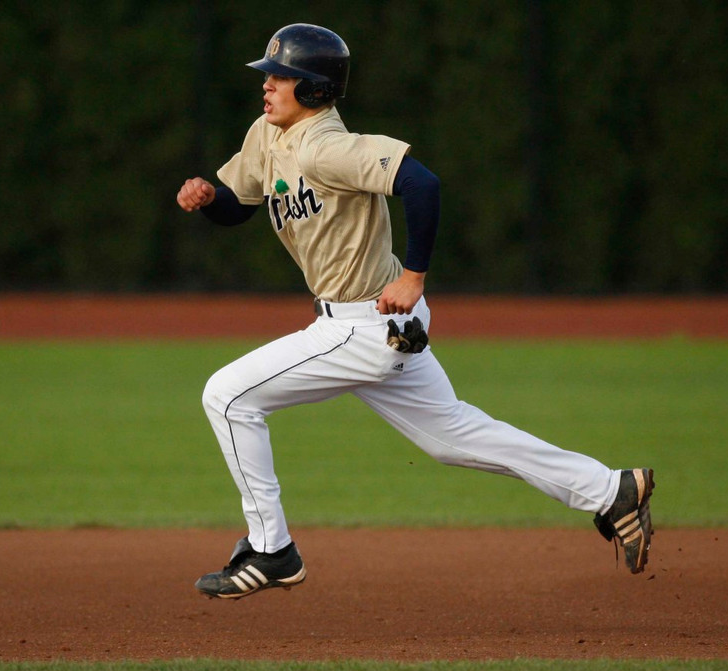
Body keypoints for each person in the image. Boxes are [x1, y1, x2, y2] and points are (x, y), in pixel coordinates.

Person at [176, 23, 654, 600]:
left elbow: (422, 183)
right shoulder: (268, 135)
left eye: (281, 77)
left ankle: (272, 549)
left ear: (315, 90)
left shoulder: (328, 146)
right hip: (375, 325)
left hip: (363, 325)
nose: (268, 85)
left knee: (226, 395)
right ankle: (610, 491)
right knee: (452, 437)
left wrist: (414, 274)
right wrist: (210, 200)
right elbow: (239, 205)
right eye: (270, 75)